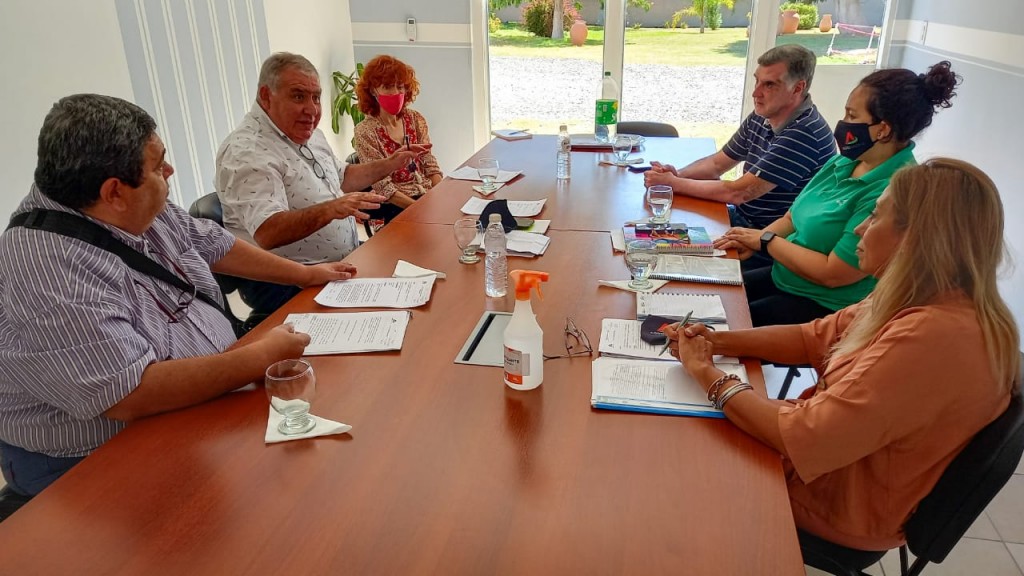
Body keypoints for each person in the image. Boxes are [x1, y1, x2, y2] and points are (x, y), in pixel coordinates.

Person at [0, 94, 353, 496]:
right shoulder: (48, 269)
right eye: (158, 165)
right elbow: (130, 392)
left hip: (200, 398)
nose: (169, 171)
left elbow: (211, 242)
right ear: (114, 193)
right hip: (94, 453)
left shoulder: (127, 201)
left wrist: (304, 275)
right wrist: (259, 357)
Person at [666, 158, 1020, 553]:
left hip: (832, 503)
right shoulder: (922, 294)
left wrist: (707, 373)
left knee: (670, 462)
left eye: (875, 215)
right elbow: (812, 338)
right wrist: (717, 342)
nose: (860, 228)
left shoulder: (935, 337)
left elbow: (805, 437)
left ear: (916, 237)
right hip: (827, 463)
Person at [715, 61, 960, 327]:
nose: (843, 124)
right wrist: (753, 241)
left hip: (824, 307)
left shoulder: (894, 189)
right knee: (711, 294)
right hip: (785, 277)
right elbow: (792, 218)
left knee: (721, 327)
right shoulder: (844, 162)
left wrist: (765, 241)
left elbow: (833, 273)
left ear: (883, 129)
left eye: (852, 116)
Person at [216, 52, 428, 318]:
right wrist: (331, 209)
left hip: (340, 261)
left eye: (316, 97)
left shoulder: (310, 134)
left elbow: (344, 177)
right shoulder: (247, 151)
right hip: (290, 281)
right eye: (298, 96)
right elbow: (267, 232)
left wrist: (390, 163)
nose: (312, 109)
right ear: (266, 96)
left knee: (418, 286)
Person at [644, 44, 835, 236]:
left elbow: (739, 193)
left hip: (765, 238)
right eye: (757, 81)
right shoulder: (764, 115)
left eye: (769, 85)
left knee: (658, 239)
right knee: (652, 232)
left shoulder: (804, 133)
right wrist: (678, 175)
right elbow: (717, 164)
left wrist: (673, 183)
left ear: (797, 88)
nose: (756, 93)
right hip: (744, 221)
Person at [354, 55, 443, 217]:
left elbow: (429, 162)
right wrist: (419, 210)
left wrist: (440, 194)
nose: (396, 92)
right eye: (388, 87)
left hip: (424, 196)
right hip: (394, 204)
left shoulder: (415, 119)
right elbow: (383, 187)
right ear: (373, 90)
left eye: (400, 87)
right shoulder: (365, 131)